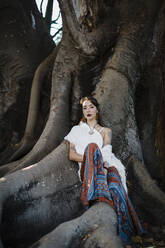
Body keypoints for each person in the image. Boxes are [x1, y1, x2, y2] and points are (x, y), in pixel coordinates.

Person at [64, 96, 144, 247]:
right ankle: (94, 190)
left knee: (115, 186)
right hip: (89, 167)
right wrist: (93, 160)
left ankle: (125, 227)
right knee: (93, 147)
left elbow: (107, 150)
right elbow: (71, 155)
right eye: (85, 108)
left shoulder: (106, 131)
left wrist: (103, 165)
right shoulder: (76, 130)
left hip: (106, 164)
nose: (88, 110)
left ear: (97, 109)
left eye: (91, 107)